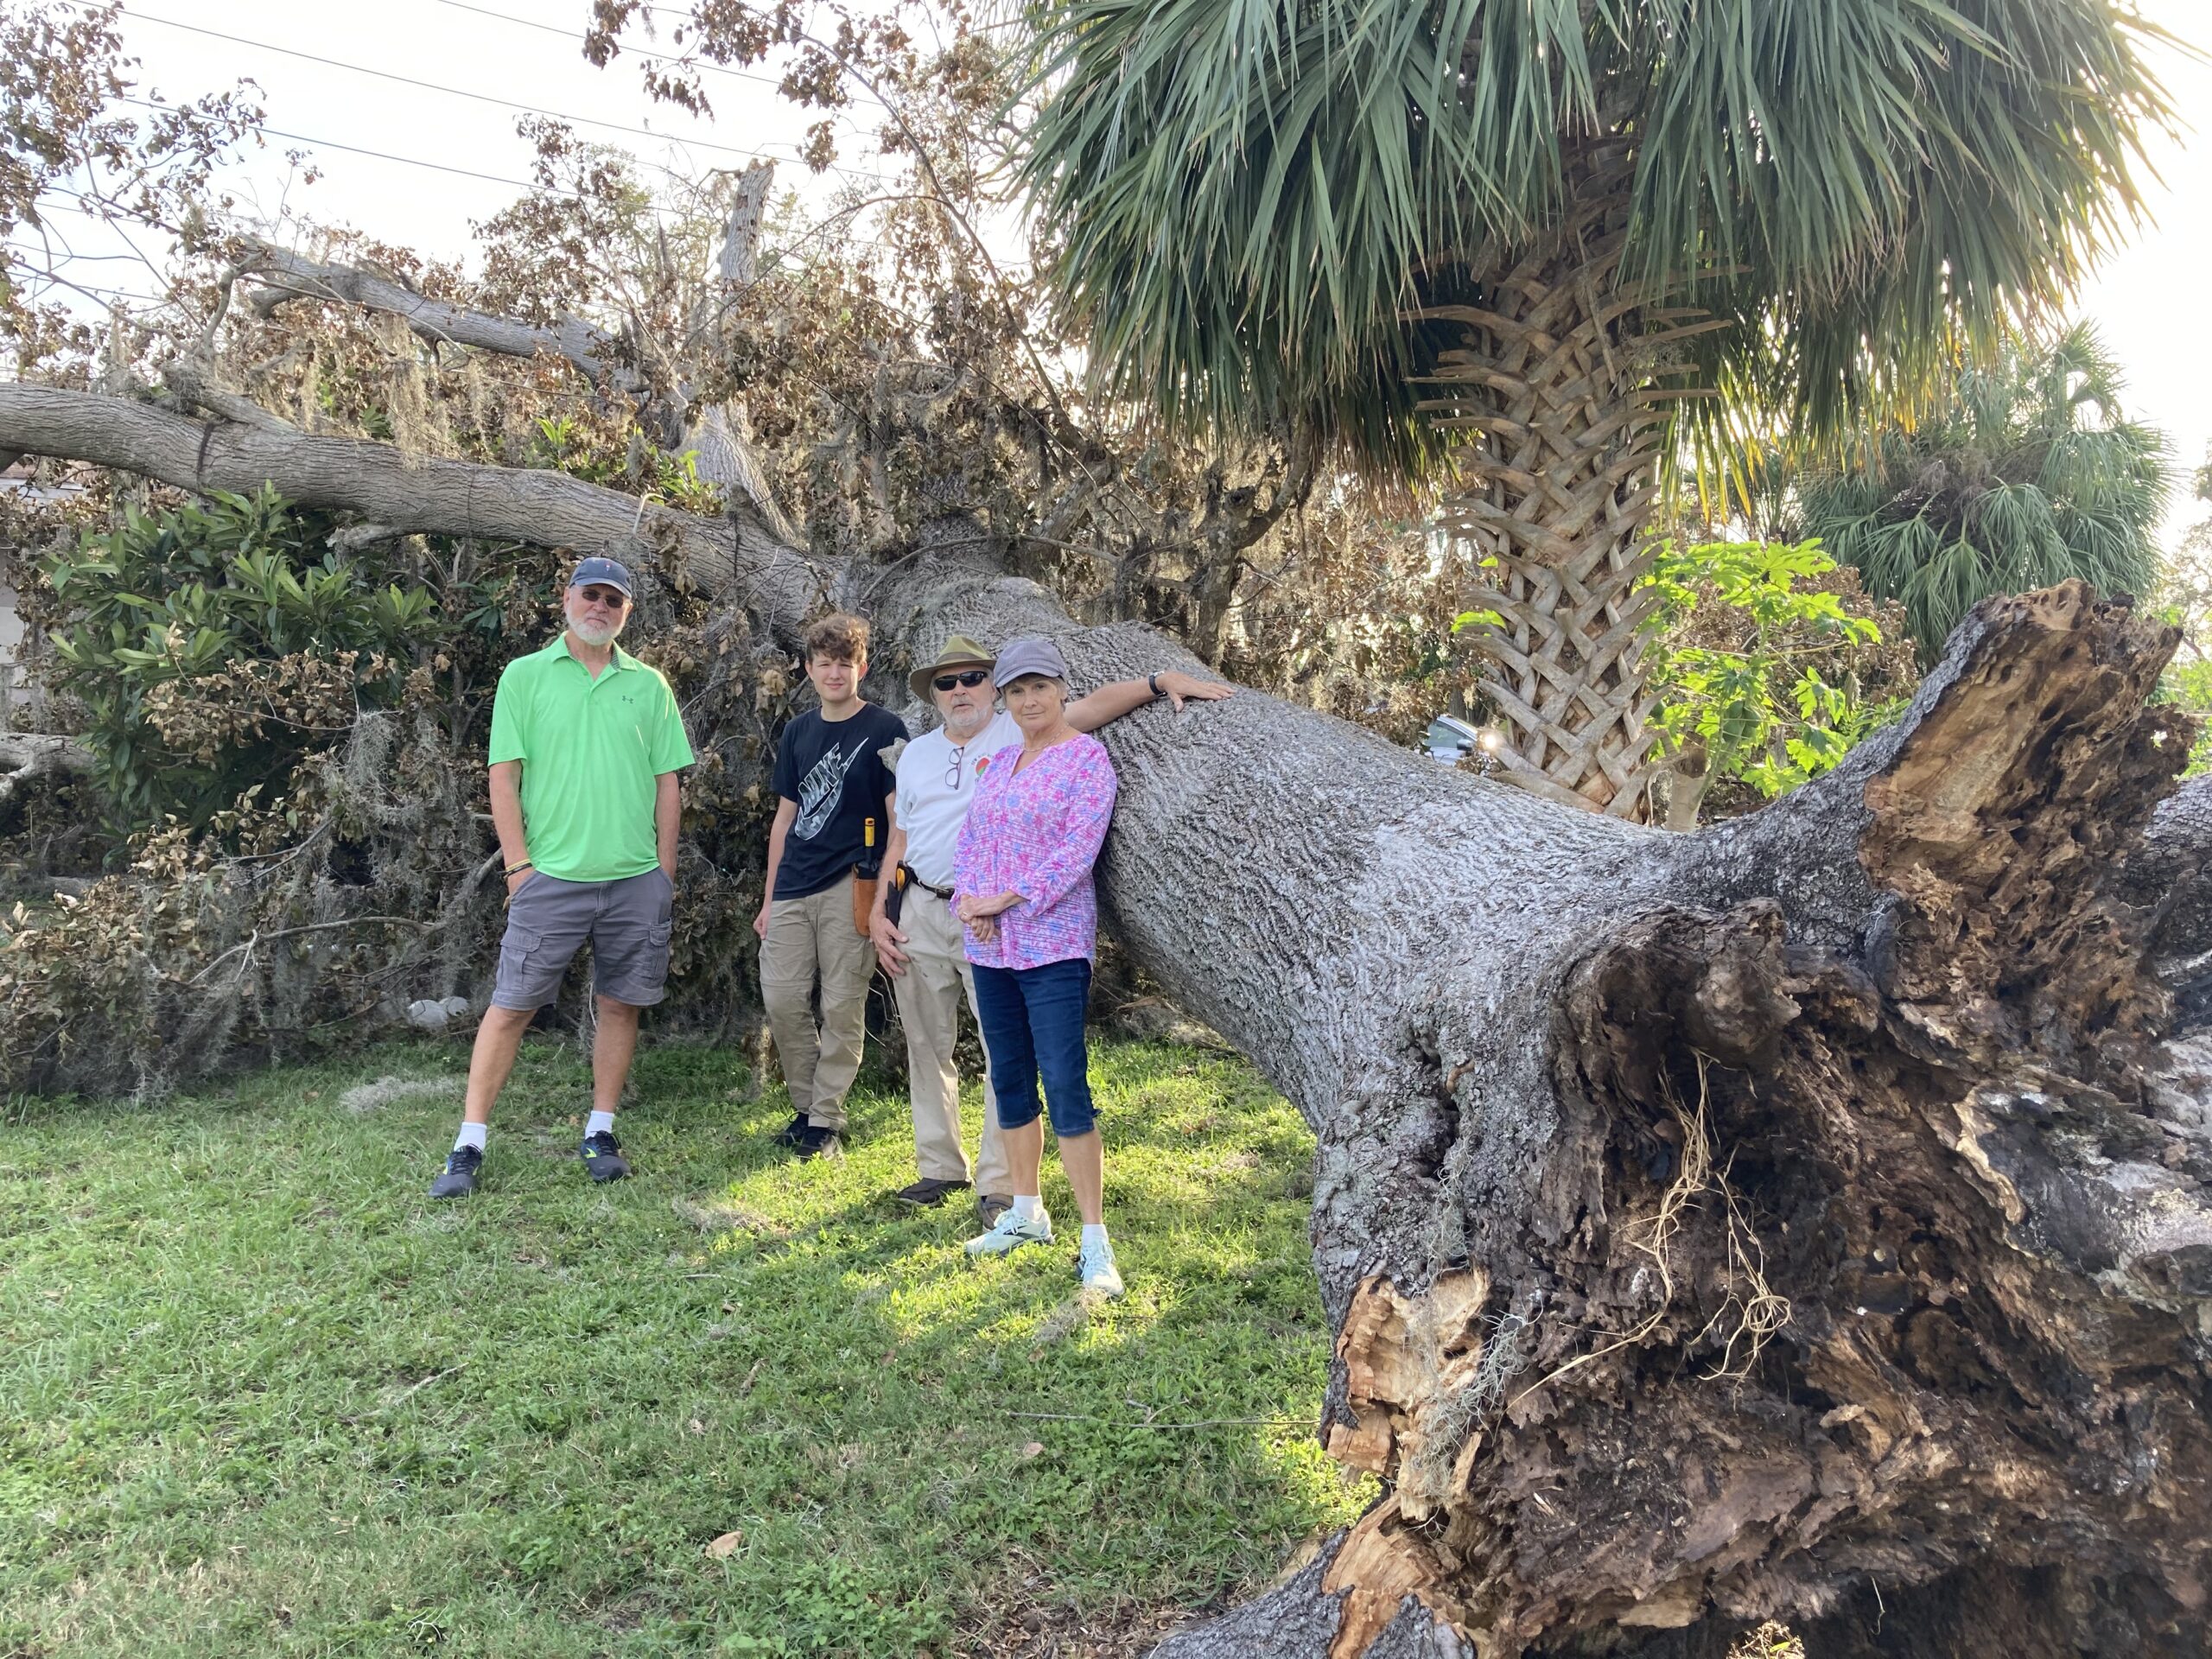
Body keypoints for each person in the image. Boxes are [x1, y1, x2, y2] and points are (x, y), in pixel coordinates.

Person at [872, 637, 1229, 1227]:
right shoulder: (924, 756)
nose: (961, 690)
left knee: (1017, 1060)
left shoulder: (1026, 736)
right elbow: (904, 837)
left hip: (1022, 925)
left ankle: (1003, 1187)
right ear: (934, 695)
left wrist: (1161, 680)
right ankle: (941, 1167)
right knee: (936, 1047)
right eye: (947, 682)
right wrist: (885, 907)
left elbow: (1094, 713)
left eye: (972, 679)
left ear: (994, 689)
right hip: (934, 909)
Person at [429, 556, 694, 1199]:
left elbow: (667, 784)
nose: (599, 606)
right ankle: (468, 1144)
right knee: (511, 1008)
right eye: (590, 594)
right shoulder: (525, 677)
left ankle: (600, 1130)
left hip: (635, 882)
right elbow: (504, 777)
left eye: (613, 599)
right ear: (567, 598)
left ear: (626, 611)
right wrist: (519, 866)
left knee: (619, 1004)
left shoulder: (649, 686)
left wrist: (664, 873)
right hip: (551, 880)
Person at [951, 637, 1127, 1295]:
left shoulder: (1086, 760)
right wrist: (971, 903)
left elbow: (1077, 850)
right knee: (1010, 1078)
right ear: (1005, 698)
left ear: (1061, 690)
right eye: (1017, 690)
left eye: (1040, 688)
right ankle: (1026, 1213)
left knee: (1066, 1084)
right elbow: (970, 842)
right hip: (989, 945)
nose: (1029, 700)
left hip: (1050, 944)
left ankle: (1094, 1240)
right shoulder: (997, 764)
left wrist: (1009, 896)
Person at [755, 612, 906, 1158]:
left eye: (845, 664)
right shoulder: (797, 731)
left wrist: (886, 897)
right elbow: (784, 819)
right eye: (825, 665)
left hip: (854, 885)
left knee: (842, 1006)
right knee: (783, 998)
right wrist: (769, 899)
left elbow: (899, 823)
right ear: (809, 669)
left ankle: (824, 1122)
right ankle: (806, 1106)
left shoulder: (886, 729)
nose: (835, 674)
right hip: (795, 885)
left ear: (861, 667)